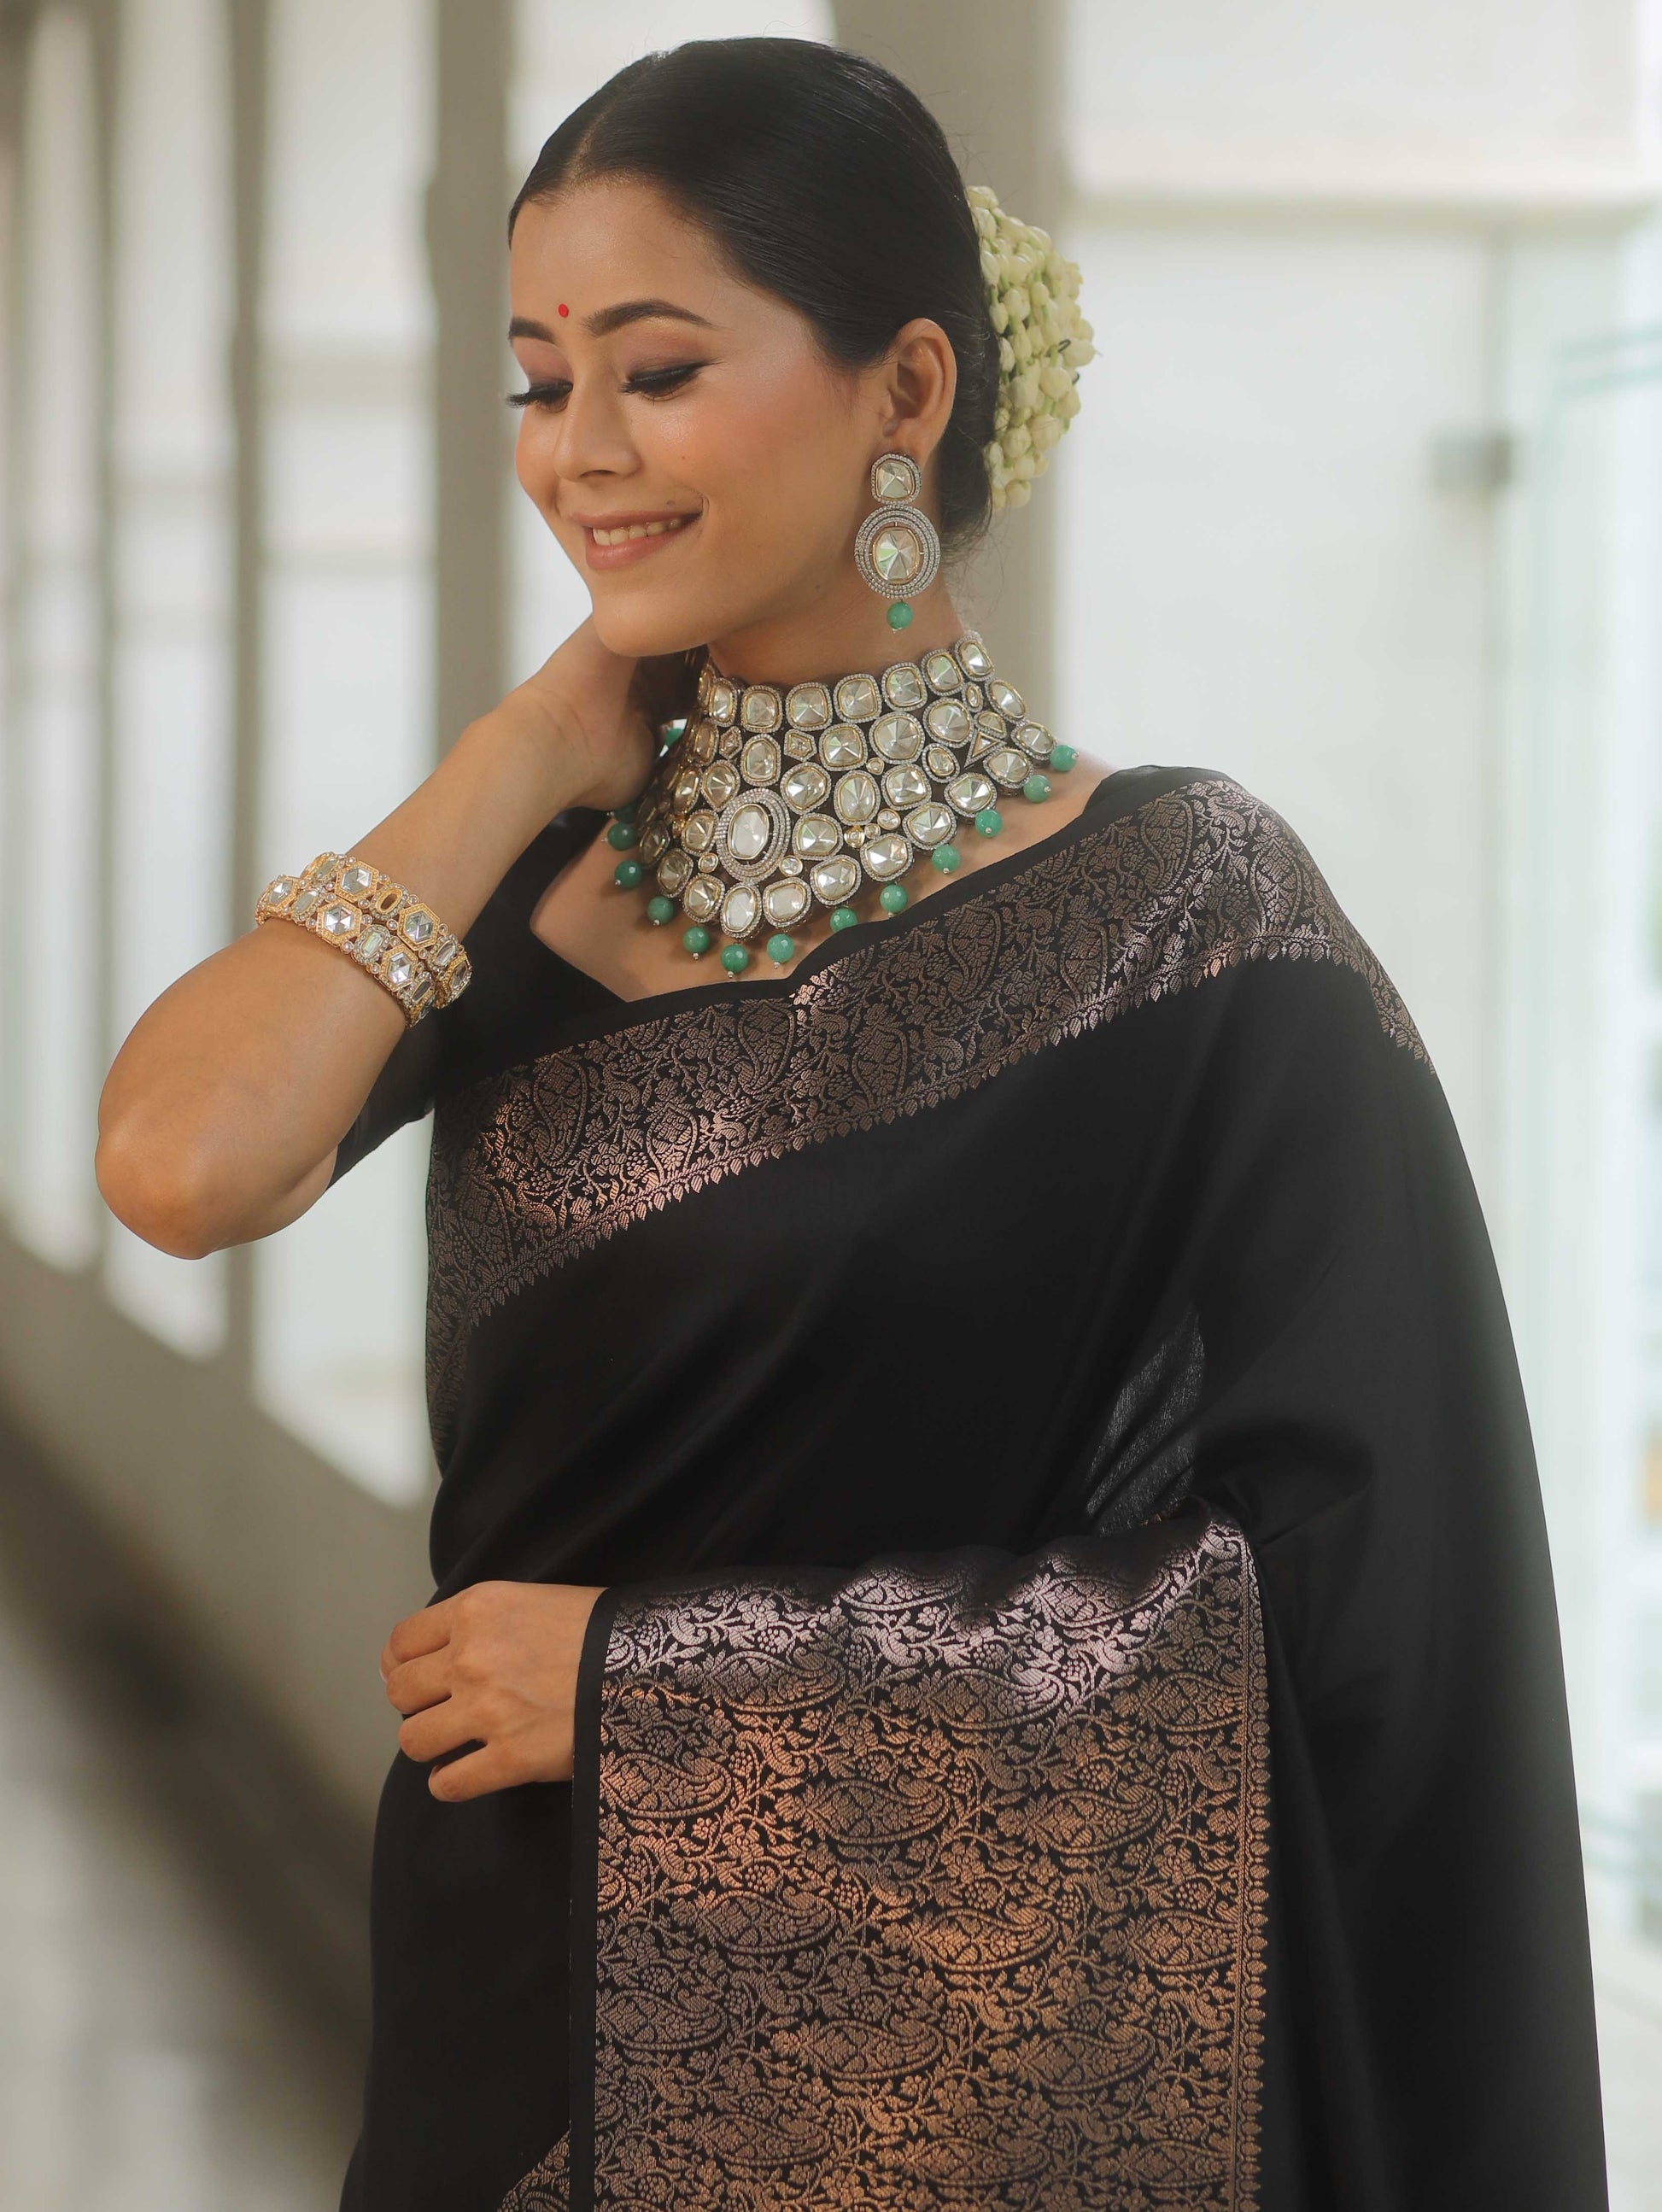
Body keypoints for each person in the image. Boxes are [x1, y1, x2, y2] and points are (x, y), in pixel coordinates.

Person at [94, 35, 1607, 2212]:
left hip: (973, 2085)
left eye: (656, 370)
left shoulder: (1184, 921)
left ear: (906, 391)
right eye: (537, 382)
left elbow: (1350, 1605)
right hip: (510, 2002)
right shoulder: (517, 888)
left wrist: (660, 1672)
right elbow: (180, 1164)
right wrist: (531, 740)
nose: (578, 454)